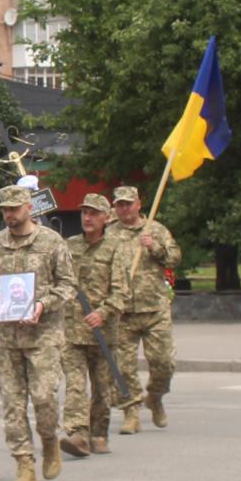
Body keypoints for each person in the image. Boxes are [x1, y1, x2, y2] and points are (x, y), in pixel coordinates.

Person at [0, 183, 78, 481]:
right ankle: (24, 463)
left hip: (43, 336)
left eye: (14, 209)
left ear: (29, 208)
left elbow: (69, 285)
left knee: (45, 399)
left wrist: (43, 304)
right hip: (8, 338)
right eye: (4, 210)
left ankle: (49, 440)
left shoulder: (51, 243)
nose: (8, 214)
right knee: (12, 404)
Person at [65, 193, 143, 451]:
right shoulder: (69, 246)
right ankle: (78, 433)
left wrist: (104, 311)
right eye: (84, 212)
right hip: (72, 330)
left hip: (103, 331)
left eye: (94, 213)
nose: (87, 218)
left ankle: (99, 433)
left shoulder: (116, 248)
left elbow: (123, 291)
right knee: (75, 386)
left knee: (102, 388)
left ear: (105, 218)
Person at [108, 183, 181, 429]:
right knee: (123, 368)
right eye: (120, 204)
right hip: (123, 311)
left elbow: (175, 258)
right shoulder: (108, 234)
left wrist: (154, 247)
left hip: (155, 309)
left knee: (164, 363)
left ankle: (155, 397)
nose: (125, 208)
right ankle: (131, 412)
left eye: (129, 203)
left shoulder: (155, 230)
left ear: (138, 204)